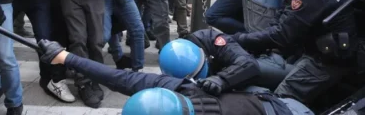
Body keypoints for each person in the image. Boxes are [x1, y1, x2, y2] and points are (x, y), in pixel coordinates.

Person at [233, 0, 359, 110]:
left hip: (327, 62)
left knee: (281, 100)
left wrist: (240, 39)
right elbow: (283, 21)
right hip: (318, 50)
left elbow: (282, 35)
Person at [37, 38, 315, 115]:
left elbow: (249, 68)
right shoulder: (178, 87)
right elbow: (119, 79)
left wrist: (225, 79)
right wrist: (65, 57)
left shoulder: (215, 41)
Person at [159, 30, 260, 95]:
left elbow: (249, 64)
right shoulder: (171, 67)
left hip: (254, 58)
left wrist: (221, 79)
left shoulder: (214, 40)